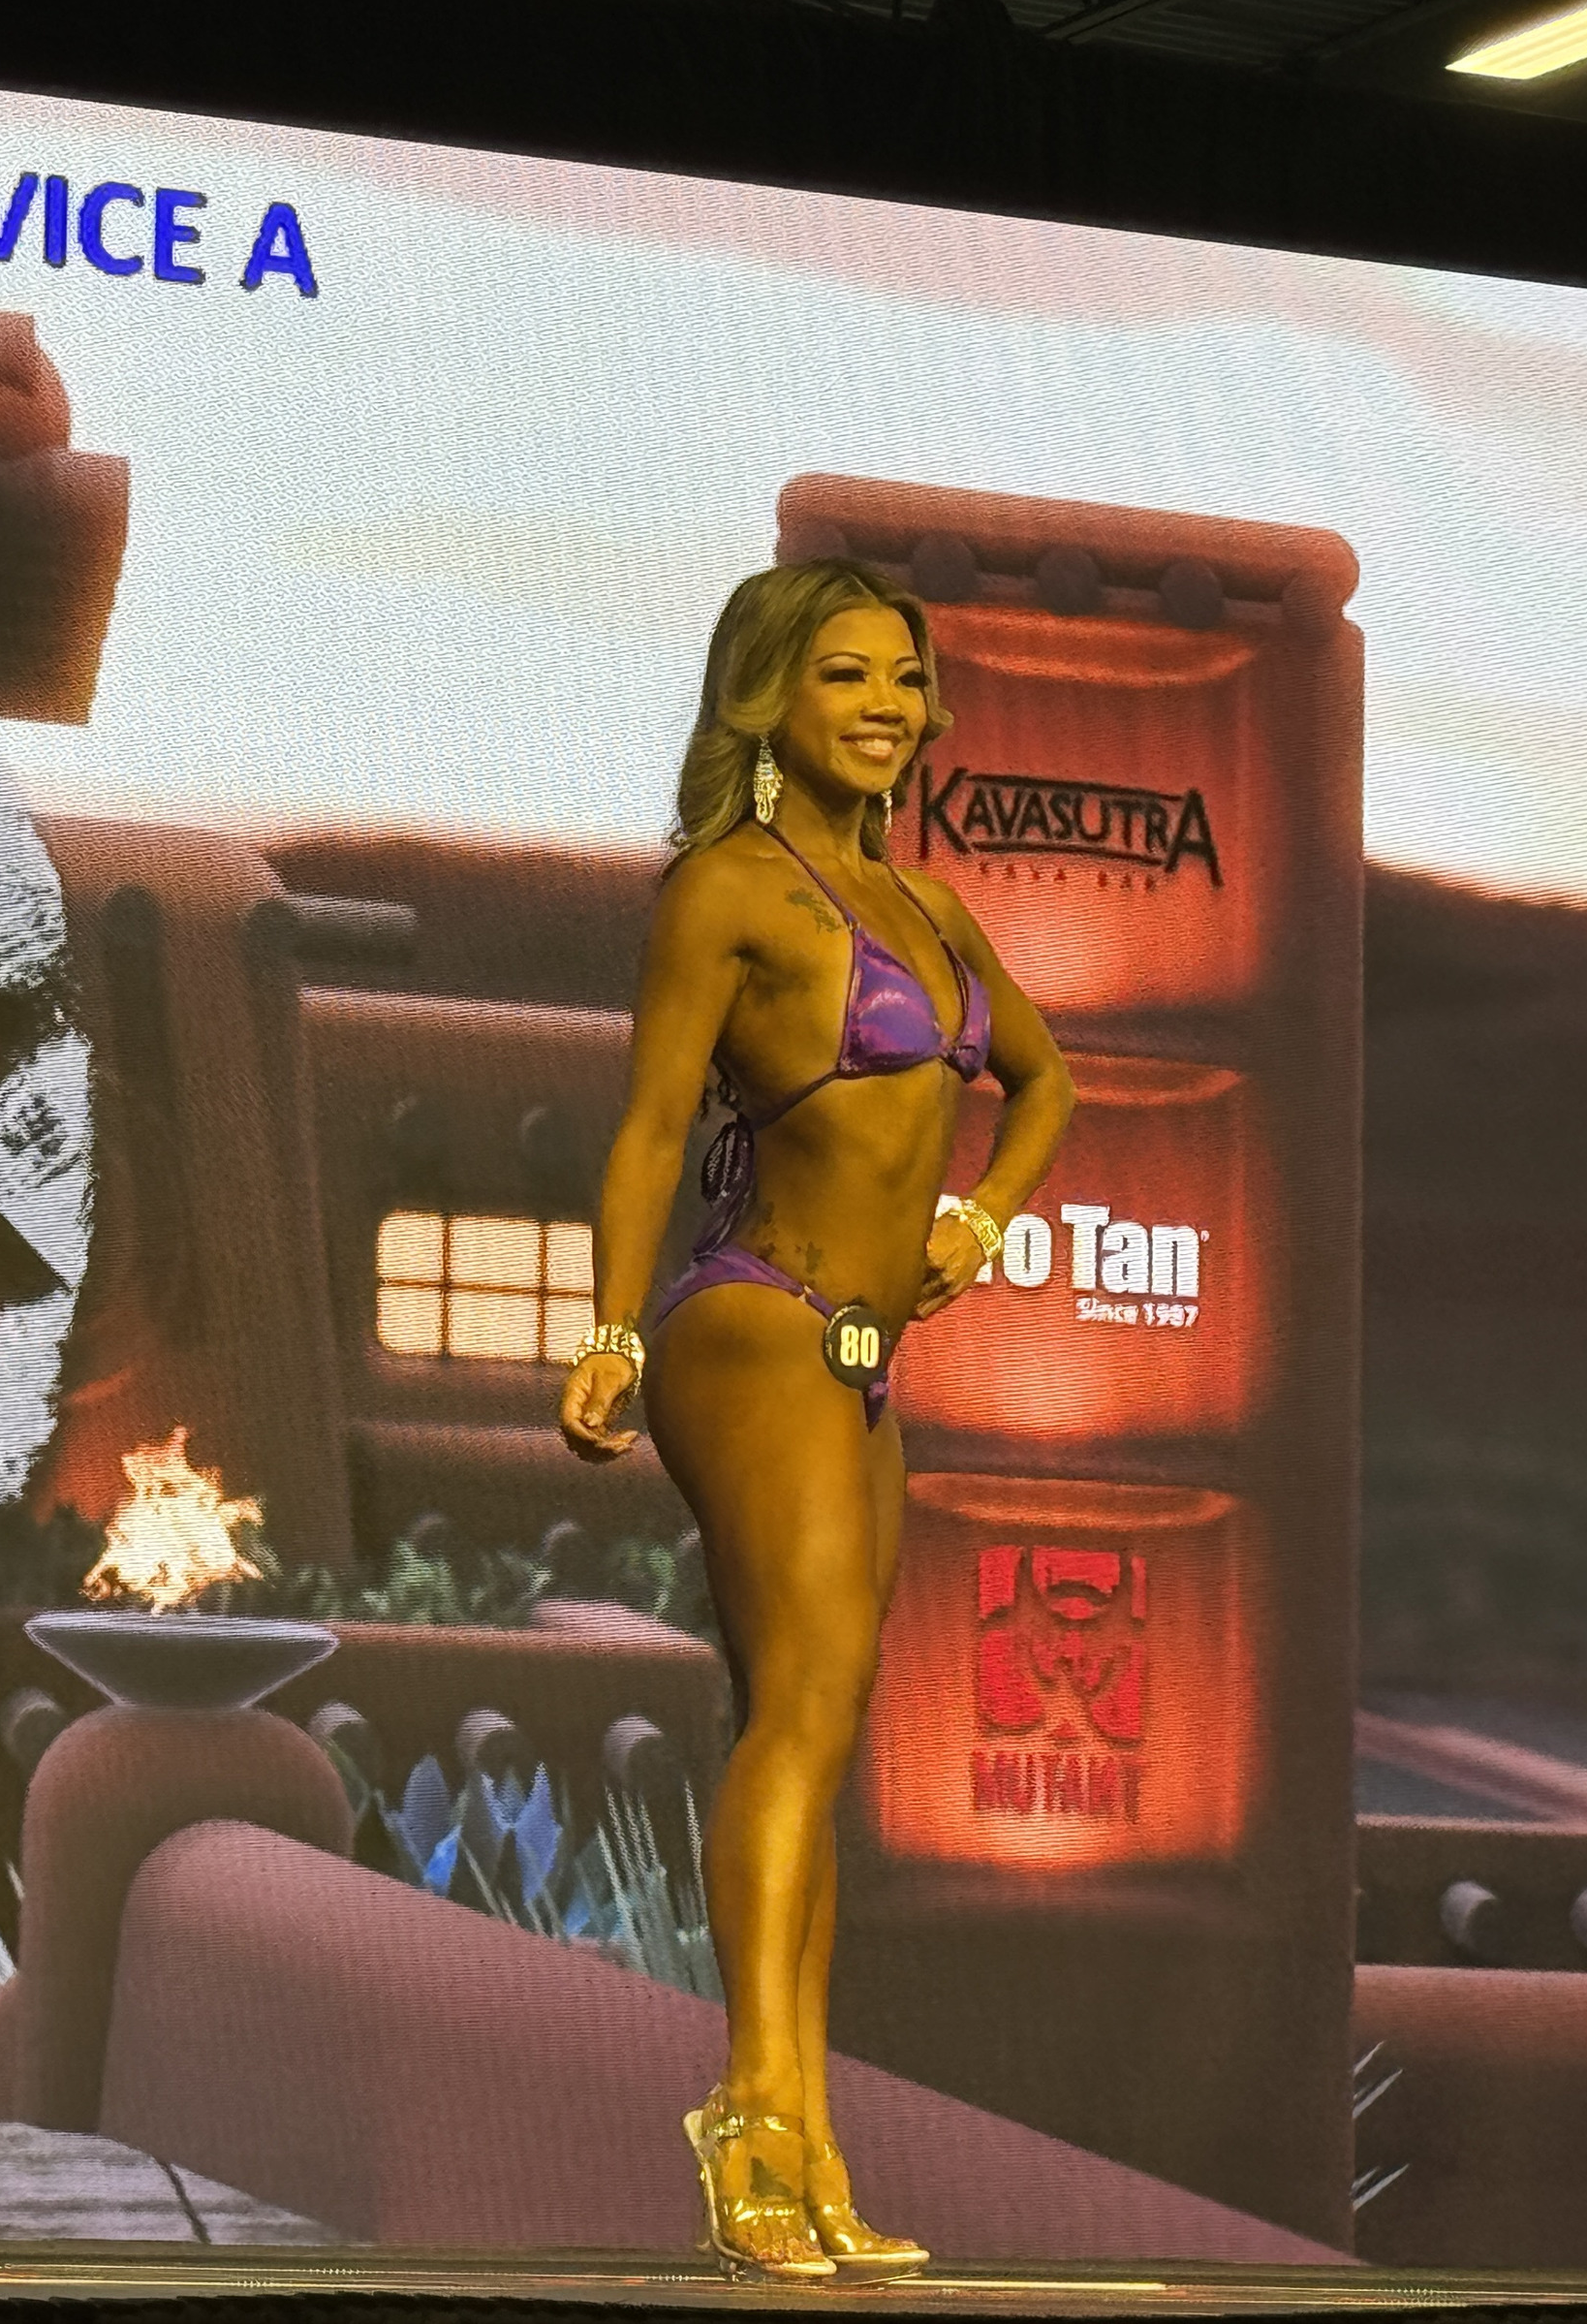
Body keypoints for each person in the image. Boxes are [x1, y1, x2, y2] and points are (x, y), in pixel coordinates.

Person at [557, 558, 1073, 2282]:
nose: (887, 706)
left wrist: (977, 1221)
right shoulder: (729, 889)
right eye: (847, 675)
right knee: (799, 1717)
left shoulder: (928, 910)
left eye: (906, 679)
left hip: (867, 1358)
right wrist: (605, 1332)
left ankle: (815, 2144)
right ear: (766, 698)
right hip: (753, 1327)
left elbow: (1048, 1080)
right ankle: (752, 2122)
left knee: (816, 1729)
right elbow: (649, 1129)